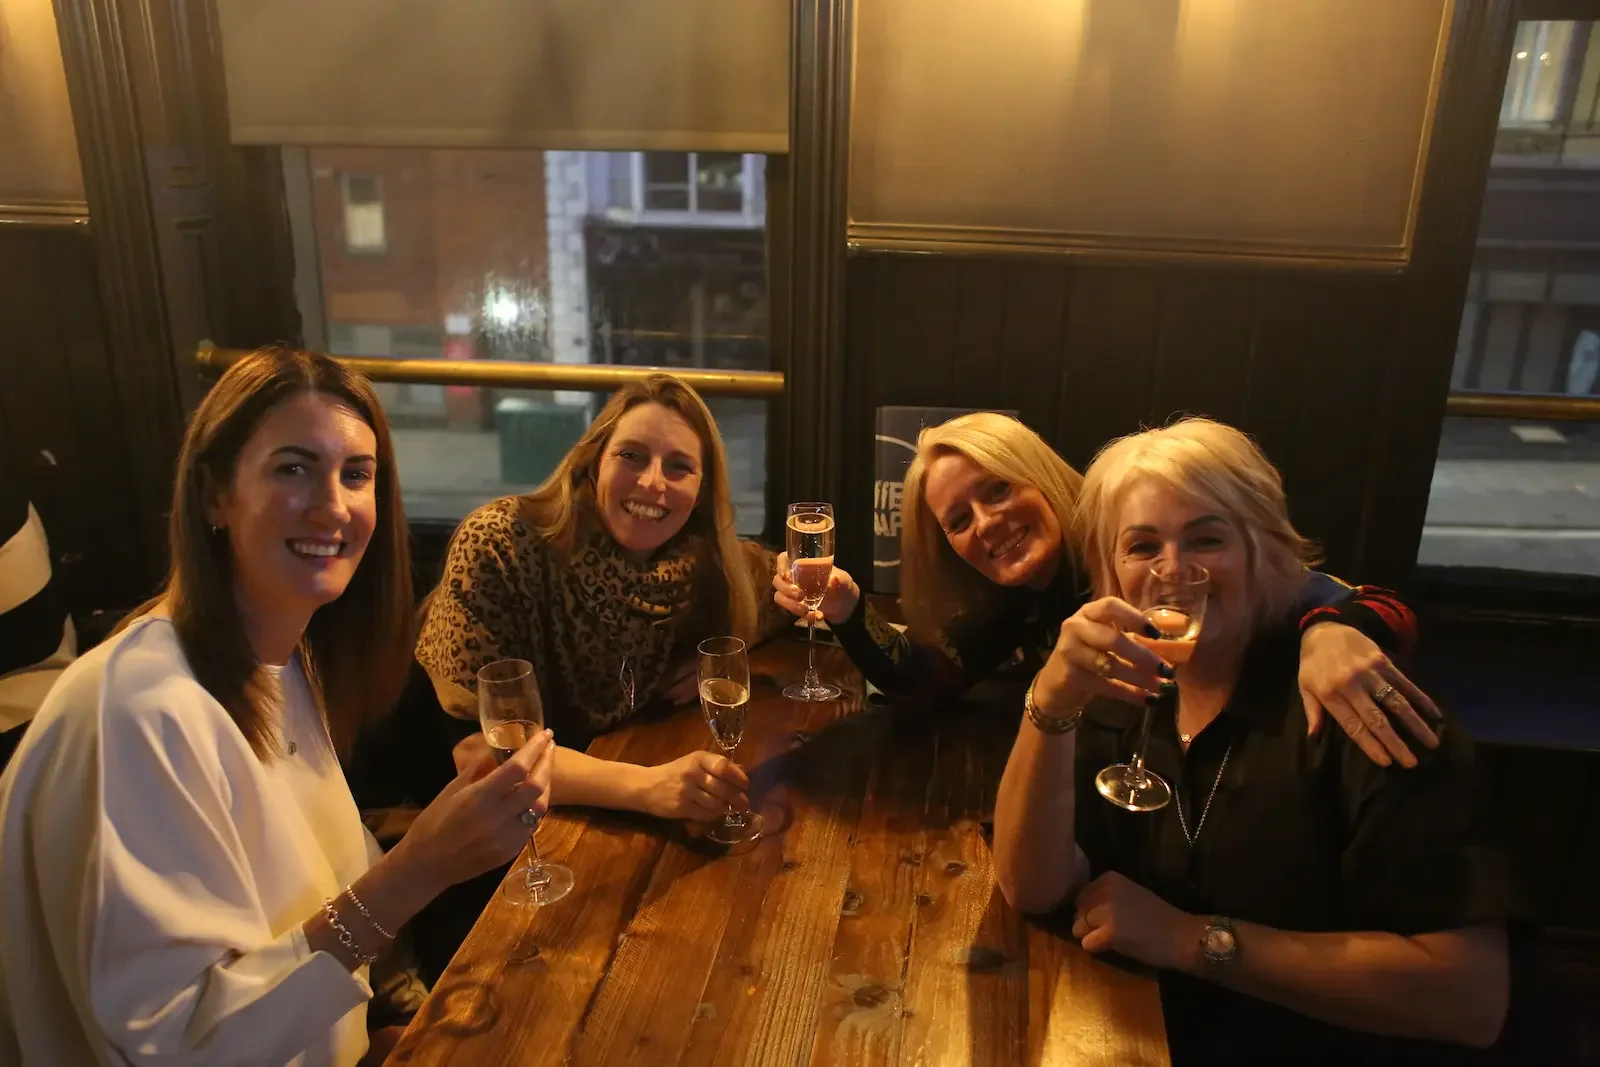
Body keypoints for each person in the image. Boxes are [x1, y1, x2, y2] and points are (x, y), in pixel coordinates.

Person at [0, 348, 556, 1067]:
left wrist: (381, 1024)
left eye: (356, 474)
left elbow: (317, 906)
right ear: (213, 495)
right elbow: (174, 1048)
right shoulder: (140, 709)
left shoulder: (291, 662)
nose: (333, 505)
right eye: (292, 467)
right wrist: (421, 867)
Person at [992, 417, 1509, 1064]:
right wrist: (1050, 700)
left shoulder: (1354, 700)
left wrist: (1190, 939)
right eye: (1142, 546)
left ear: (1265, 549)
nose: (1174, 570)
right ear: (1111, 570)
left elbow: (1470, 996)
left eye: (1207, 538)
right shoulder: (1121, 692)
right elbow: (1031, 885)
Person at [773, 411, 1440, 769]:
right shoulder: (1018, 597)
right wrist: (847, 608)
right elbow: (924, 680)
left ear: (1035, 473)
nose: (987, 522)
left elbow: (1355, 596)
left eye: (998, 488)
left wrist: (1334, 629)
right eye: (958, 520)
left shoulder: (1131, 552)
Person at [416, 373, 793, 825]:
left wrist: (727, 658)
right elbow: (480, 753)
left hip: (604, 818)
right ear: (594, 463)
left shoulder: (701, 560)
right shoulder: (501, 543)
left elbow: (788, 588)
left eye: (679, 466)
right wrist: (649, 787)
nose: (654, 483)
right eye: (631, 456)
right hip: (485, 833)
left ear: (700, 494)